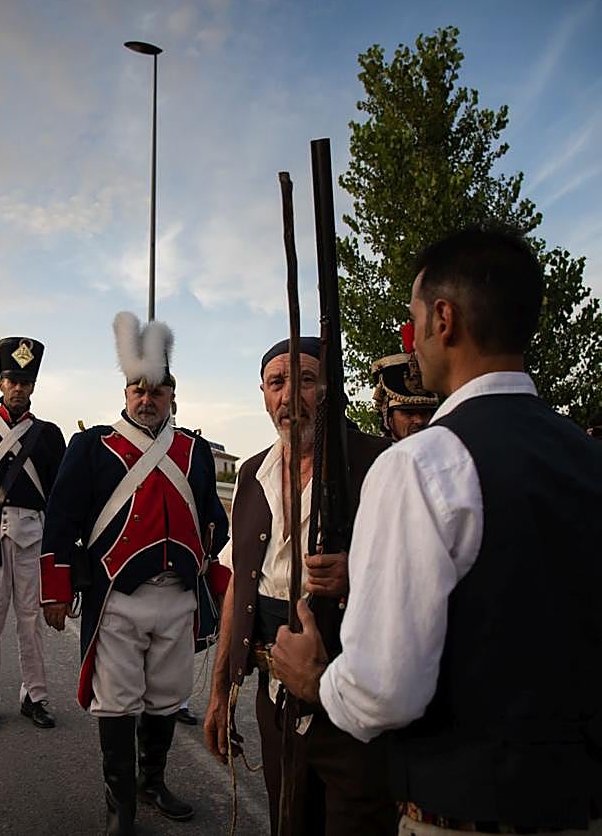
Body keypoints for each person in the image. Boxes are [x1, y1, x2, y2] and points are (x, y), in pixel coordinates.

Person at [271, 228, 602, 835]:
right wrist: (594, 774)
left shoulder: (418, 464)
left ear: (443, 319)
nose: (411, 345)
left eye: (411, 323)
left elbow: (384, 692)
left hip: (456, 813)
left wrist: (316, 679)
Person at [39, 312, 230, 835]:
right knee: (118, 702)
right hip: (117, 599)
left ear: (173, 395)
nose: (147, 399)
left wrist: (213, 571)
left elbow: (213, 519)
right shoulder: (92, 447)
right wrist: (56, 591)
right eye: (137, 390)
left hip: (178, 597)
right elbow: (60, 524)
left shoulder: (193, 452)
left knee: (167, 697)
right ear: (124, 393)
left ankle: (153, 781)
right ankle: (119, 801)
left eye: (158, 391)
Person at [203, 337, 394, 836]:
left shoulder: (379, 465)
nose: (290, 397)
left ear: (331, 390)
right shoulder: (251, 474)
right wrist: (220, 691)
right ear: (263, 395)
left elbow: (422, 583)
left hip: (354, 702)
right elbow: (236, 589)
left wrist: (360, 573)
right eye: (277, 383)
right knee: (288, 822)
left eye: (306, 380)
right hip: (274, 697)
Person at [0, 336, 66, 731]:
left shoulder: (48, 434)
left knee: (31, 621)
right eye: (12, 380)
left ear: (32, 387)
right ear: (1, 383)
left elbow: (58, 494)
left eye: (25, 382)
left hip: (32, 534)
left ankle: (35, 695)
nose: (18, 387)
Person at [371, 351, 439, 440]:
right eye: (409, 413)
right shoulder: (373, 453)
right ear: (387, 416)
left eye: (424, 413)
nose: (419, 420)